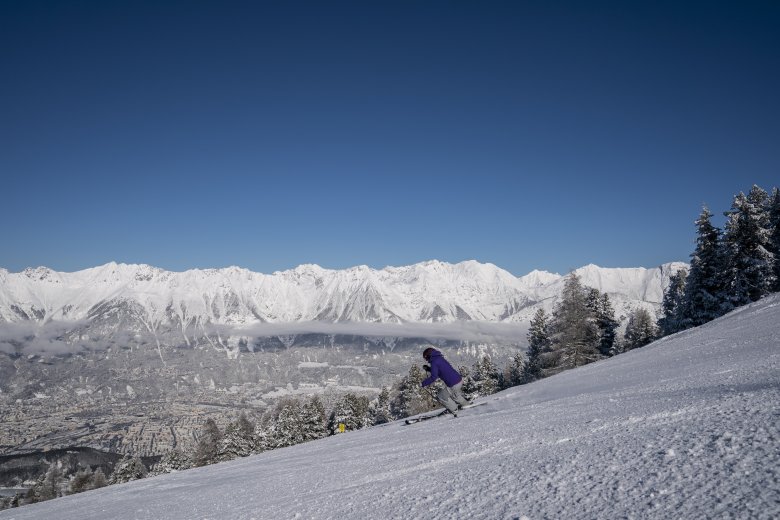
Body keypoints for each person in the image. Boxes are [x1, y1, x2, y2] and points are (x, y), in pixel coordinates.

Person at [420, 347, 471, 414]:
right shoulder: (439, 358)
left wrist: (423, 383)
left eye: (426, 358)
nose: (426, 360)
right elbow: (440, 371)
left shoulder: (434, 362)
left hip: (453, 384)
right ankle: (467, 405)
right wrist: (429, 369)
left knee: (441, 396)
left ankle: (454, 409)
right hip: (459, 380)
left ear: (429, 355)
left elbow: (433, 377)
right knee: (456, 396)